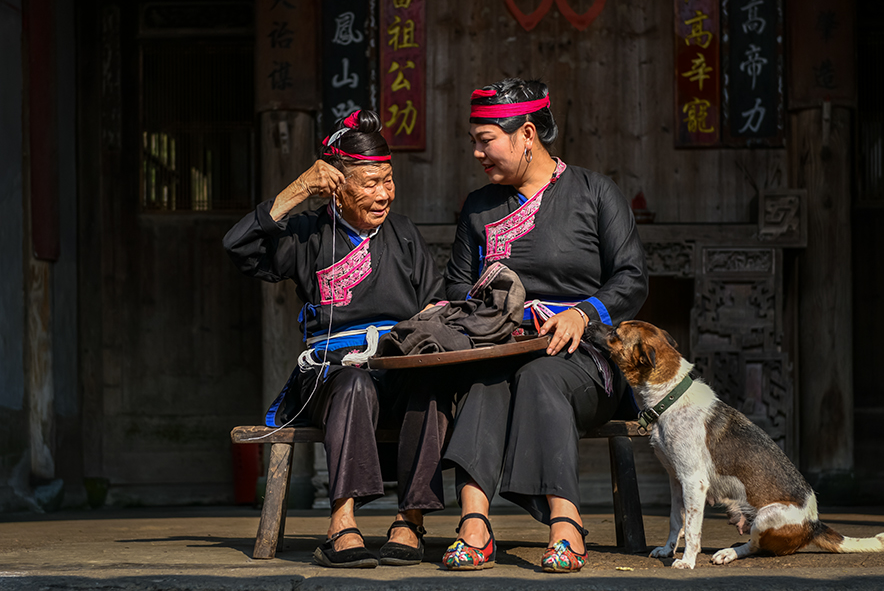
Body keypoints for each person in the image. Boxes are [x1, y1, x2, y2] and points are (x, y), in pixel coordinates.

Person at [223, 110, 449, 569]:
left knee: (431, 387)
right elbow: (238, 246)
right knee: (353, 385)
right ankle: (342, 523)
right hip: (331, 374)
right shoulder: (308, 233)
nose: (383, 193)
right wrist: (297, 191)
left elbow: (437, 303)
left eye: (388, 180)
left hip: (398, 366)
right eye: (369, 183)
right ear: (336, 185)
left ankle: (411, 520)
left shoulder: (403, 234)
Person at [441, 78, 648, 572]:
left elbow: (632, 277)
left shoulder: (595, 192)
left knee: (540, 376)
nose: (476, 152)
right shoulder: (478, 207)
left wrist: (581, 313)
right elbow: (454, 290)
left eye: (486, 140)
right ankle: (474, 525)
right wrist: (501, 310)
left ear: (526, 133)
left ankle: (566, 523)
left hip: (587, 356)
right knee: (483, 380)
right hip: (502, 349)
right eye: (474, 141)